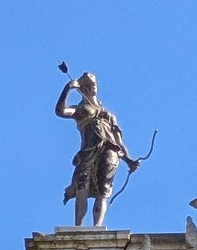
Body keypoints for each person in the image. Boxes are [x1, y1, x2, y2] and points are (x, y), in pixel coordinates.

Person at [55, 71, 137, 229]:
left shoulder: (109, 114)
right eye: (89, 84)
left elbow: (118, 140)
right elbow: (60, 111)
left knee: (103, 190)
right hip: (88, 150)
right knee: (82, 187)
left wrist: (128, 159)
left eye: (94, 83)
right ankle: (78, 227)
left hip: (109, 150)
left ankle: (98, 226)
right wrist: (67, 88)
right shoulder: (79, 109)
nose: (93, 86)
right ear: (83, 87)